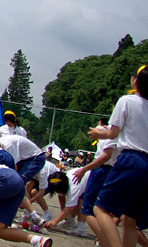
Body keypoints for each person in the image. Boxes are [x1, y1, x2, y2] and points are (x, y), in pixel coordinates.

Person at [89, 64, 148, 247]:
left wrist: (98, 134)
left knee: (100, 209)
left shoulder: (126, 100)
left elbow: (112, 134)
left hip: (131, 158)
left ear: (136, 81)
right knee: (130, 219)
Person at [73, 117, 118, 243]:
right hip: (114, 170)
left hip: (102, 170)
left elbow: (106, 156)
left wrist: (84, 169)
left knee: (88, 210)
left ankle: (106, 242)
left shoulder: (107, 130)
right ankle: (106, 239)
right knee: (104, 210)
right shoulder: (120, 132)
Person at [44, 169, 90, 237]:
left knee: (83, 202)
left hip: (96, 183)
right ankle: (70, 221)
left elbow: (69, 208)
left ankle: (81, 228)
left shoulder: (74, 186)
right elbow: (61, 196)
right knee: (79, 200)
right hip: (87, 182)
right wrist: (67, 218)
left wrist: (55, 222)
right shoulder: (63, 179)